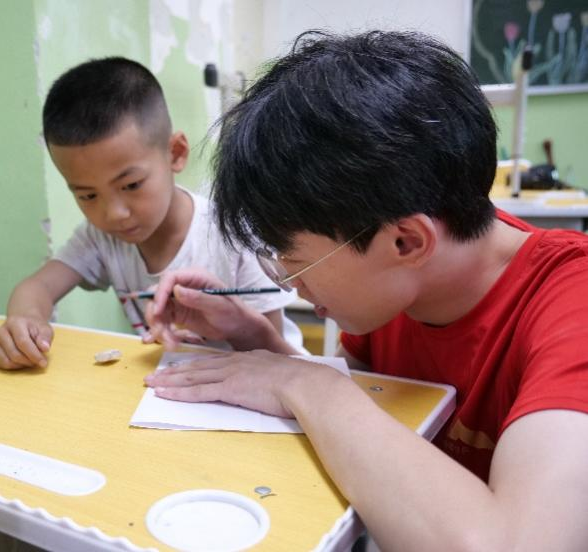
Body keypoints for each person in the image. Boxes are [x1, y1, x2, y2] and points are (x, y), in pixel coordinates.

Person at [143, 31, 588, 550]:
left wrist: (312, 386)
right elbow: (366, 421)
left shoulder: (570, 305)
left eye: (295, 260)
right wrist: (255, 338)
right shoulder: (396, 287)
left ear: (406, 241)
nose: (289, 281)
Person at [0, 57, 302, 370]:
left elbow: (275, 359)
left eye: (131, 185)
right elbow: (37, 287)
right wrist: (25, 321)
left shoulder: (233, 236)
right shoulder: (100, 237)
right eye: (87, 195)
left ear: (175, 153)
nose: (114, 214)